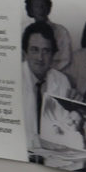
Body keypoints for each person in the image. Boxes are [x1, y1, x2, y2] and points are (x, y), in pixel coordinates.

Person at [22, 21, 73, 150]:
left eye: (46, 51)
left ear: (53, 55)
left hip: (53, 157)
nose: (40, 57)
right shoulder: (12, 79)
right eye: (35, 50)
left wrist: (75, 111)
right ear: (25, 53)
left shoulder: (62, 81)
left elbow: (66, 128)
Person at [24, 0, 72, 73]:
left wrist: (44, 71)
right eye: (36, 6)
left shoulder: (61, 31)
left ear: (49, 7)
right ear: (30, 10)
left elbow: (65, 59)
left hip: (54, 76)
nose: (41, 9)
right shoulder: (25, 32)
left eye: (43, 5)